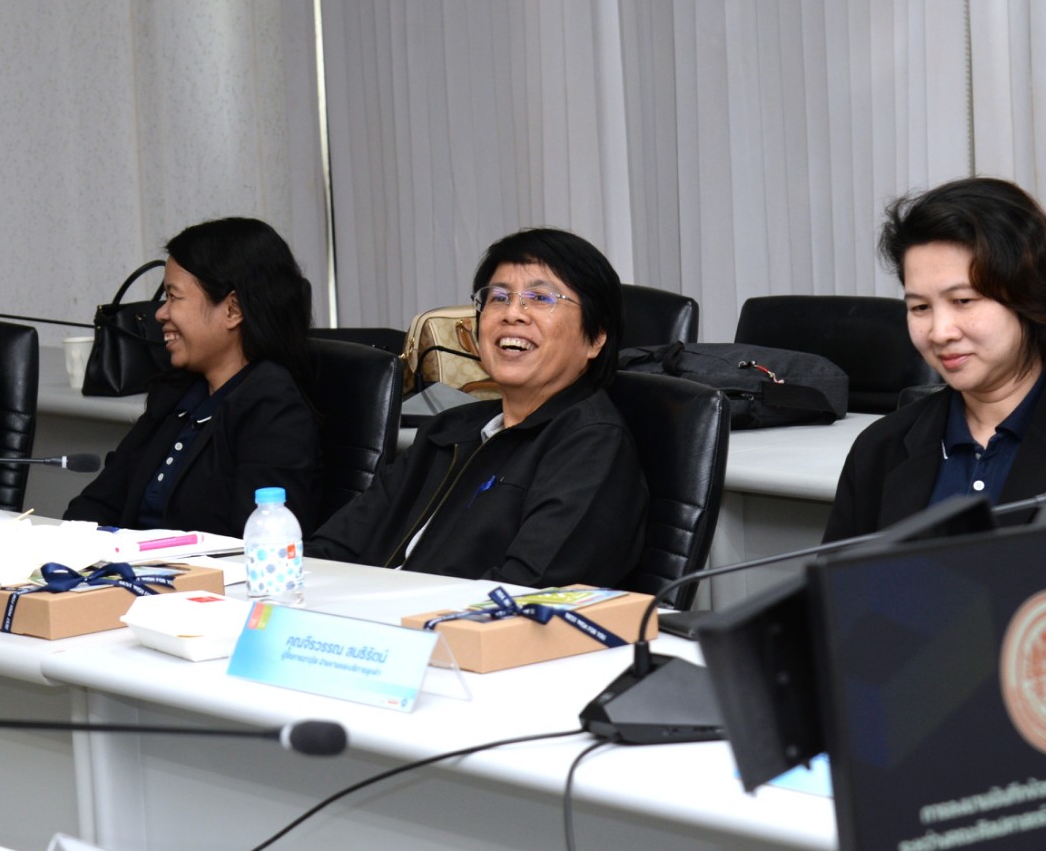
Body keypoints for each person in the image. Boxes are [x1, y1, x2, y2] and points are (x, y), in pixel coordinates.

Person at [824, 177, 1046, 541]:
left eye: (963, 301)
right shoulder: (881, 447)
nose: (940, 332)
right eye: (919, 307)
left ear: (1031, 297)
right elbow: (838, 578)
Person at [308, 227, 647, 587]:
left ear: (596, 338)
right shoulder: (448, 431)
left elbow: (523, 593)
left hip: (450, 621)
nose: (512, 313)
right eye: (498, 297)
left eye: (540, 298)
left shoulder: (592, 447)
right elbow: (335, 547)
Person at [66, 217, 321, 537]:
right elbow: (98, 502)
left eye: (174, 297)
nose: (160, 313)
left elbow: (255, 543)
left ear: (232, 310)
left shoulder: (273, 408)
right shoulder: (177, 391)